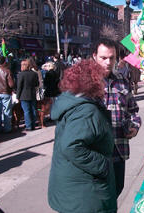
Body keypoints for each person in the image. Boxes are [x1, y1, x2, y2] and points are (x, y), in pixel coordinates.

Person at [48, 60, 117, 213]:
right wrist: (102, 165)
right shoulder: (85, 110)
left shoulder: (71, 100)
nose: (103, 83)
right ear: (91, 82)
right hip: (84, 193)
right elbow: (71, 147)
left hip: (73, 187)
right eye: (100, 79)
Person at [93, 38, 142, 198]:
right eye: (103, 58)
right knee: (97, 198)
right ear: (95, 56)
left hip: (118, 151)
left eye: (111, 58)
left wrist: (134, 127)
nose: (108, 62)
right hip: (95, 155)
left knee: (116, 191)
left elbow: (133, 111)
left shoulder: (122, 81)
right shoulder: (86, 83)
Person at [16, 59, 39, 131]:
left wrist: (17, 96)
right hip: (32, 94)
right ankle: (33, 124)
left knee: (26, 111)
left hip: (23, 95)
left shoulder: (21, 74)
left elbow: (19, 87)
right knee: (33, 110)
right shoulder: (34, 74)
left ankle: (28, 126)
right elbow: (37, 84)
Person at [0, 56, 14, 133]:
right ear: (4, 62)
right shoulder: (7, 71)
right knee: (7, 111)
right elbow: (11, 85)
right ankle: (7, 128)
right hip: (5, 93)